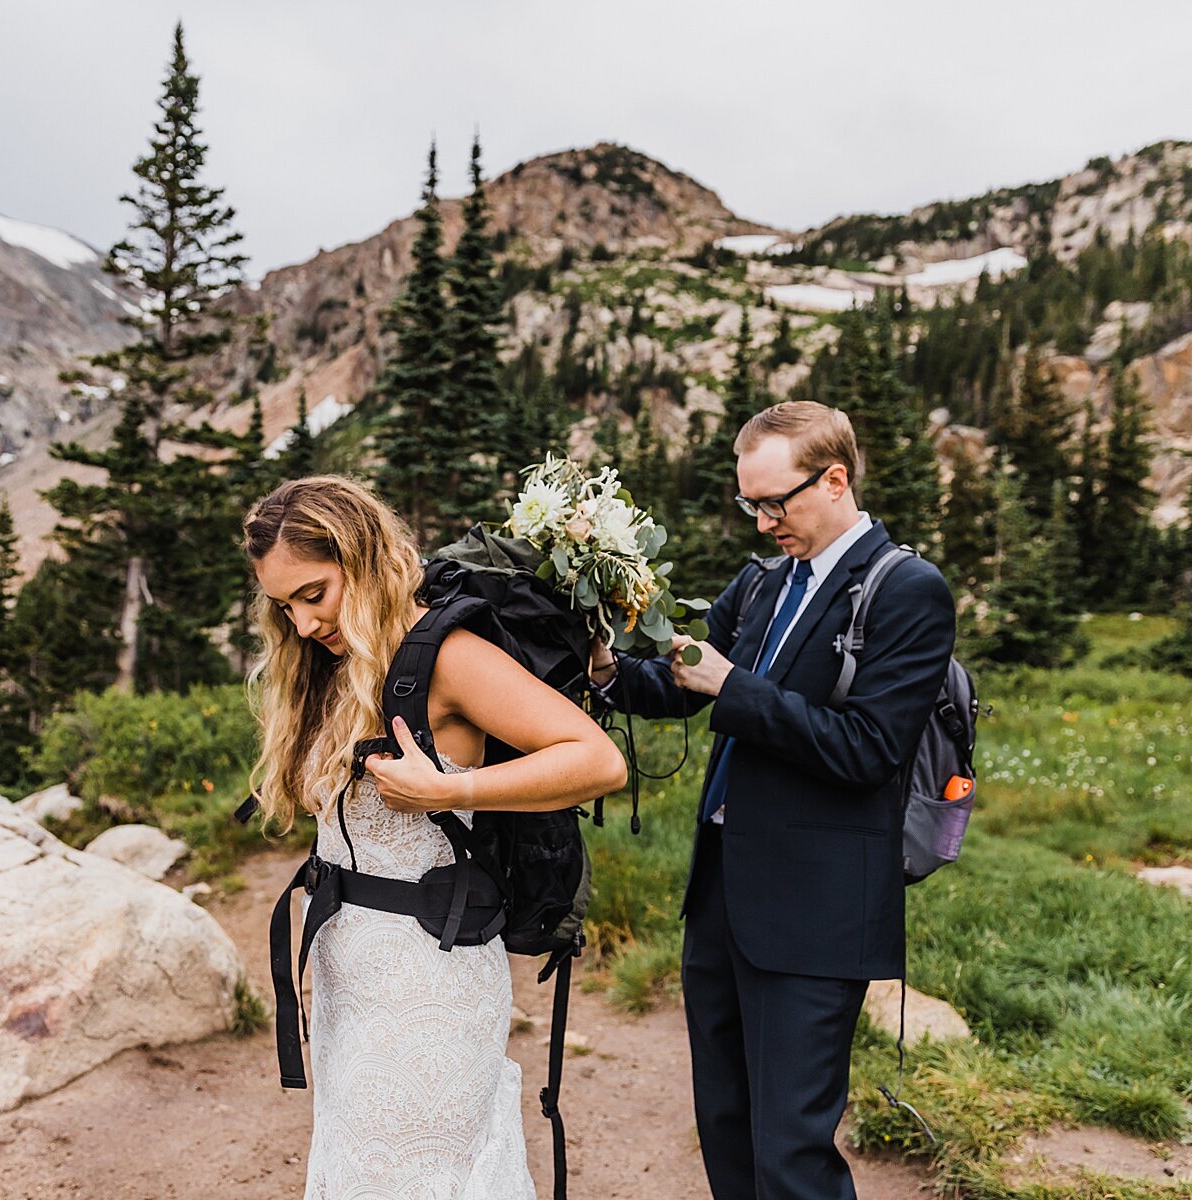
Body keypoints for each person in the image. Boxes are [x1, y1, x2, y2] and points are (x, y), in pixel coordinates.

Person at [590, 402, 955, 1200]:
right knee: (725, 1124)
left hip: (818, 909)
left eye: (774, 503)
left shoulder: (907, 590)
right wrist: (609, 672)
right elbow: (686, 681)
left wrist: (735, 688)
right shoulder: (762, 583)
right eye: (748, 504)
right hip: (723, 894)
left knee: (791, 1150)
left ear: (834, 479)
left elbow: (868, 750)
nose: (761, 524)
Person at [243, 475, 627, 1200]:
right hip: (346, 964)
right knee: (361, 1167)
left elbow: (597, 760)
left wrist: (457, 789)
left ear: (362, 557)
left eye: (313, 594)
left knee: (420, 1175)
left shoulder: (447, 656)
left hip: (429, 974)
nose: (300, 624)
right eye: (283, 605)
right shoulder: (336, 665)